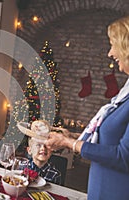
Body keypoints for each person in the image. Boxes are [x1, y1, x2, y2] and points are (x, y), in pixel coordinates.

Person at [45, 16, 129, 200]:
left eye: (113, 45)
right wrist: (73, 136)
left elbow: (123, 157)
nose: (110, 53)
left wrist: (69, 144)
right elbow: (109, 141)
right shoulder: (126, 91)